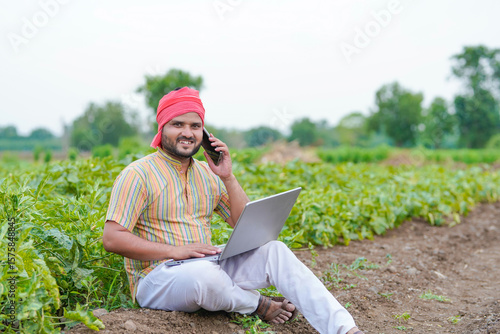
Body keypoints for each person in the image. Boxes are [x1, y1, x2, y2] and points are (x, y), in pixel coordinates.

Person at [102, 87, 364, 334]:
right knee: (204, 277)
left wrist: (228, 176)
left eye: (195, 126)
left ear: (204, 133)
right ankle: (259, 304)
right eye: (177, 124)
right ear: (162, 128)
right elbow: (112, 238)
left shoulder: (207, 174)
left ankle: (344, 329)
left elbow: (243, 223)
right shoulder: (138, 174)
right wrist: (175, 251)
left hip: (205, 263)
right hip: (157, 277)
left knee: (275, 250)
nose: (187, 132)